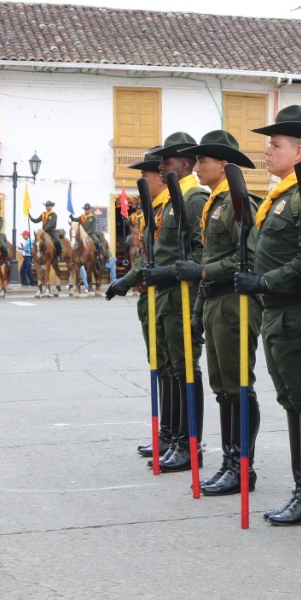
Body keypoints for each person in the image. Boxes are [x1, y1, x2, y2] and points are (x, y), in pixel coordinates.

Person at [235, 106, 301, 524]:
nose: (267, 151)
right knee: (292, 402)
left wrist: (265, 281)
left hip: (298, 313)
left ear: (299, 152)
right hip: (277, 313)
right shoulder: (280, 197)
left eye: (275, 145)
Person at [175, 131, 263, 496]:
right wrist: (198, 309)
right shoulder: (216, 202)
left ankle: (242, 466)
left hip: (234, 301)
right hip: (215, 302)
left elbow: (250, 258)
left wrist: (204, 272)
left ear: (224, 165)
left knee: (238, 386)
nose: (196, 167)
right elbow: (214, 256)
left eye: (203, 160)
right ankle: (230, 461)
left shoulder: (238, 202)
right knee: (223, 388)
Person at [131, 132, 210, 470]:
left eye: (166, 160)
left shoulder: (193, 200)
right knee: (170, 369)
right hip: (165, 299)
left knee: (185, 370)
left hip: (182, 298)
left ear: (185, 165)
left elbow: (201, 253)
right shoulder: (168, 202)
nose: (160, 166)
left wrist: (168, 273)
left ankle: (188, 444)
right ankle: (171, 436)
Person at [105, 149, 171, 457]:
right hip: (150, 296)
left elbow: (158, 256)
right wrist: (127, 281)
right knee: (161, 366)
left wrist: (127, 280)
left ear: (161, 177)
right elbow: (146, 256)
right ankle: (168, 434)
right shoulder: (153, 211)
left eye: (145, 175)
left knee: (174, 369)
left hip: (167, 296)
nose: (141, 181)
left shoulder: (174, 207)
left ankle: (179, 439)